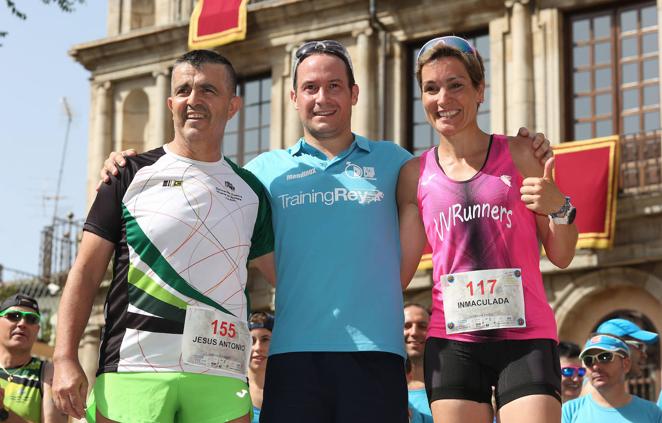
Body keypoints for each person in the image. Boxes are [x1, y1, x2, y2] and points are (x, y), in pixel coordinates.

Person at [98, 40, 553, 422]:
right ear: (293, 98)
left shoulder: (398, 163)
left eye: (335, 86)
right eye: (310, 87)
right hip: (292, 357)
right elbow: (198, 191)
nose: (323, 97)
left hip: (378, 355)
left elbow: (461, 166)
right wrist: (130, 163)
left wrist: (526, 150)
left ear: (354, 93)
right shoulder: (260, 174)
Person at [51, 50, 275, 423]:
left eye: (207, 90)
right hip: (135, 369)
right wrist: (64, 357)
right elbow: (86, 271)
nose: (193, 99)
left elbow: (284, 275)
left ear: (233, 105)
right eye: (184, 90)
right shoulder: (126, 173)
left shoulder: (252, 190)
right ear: (170, 102)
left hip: (220, 375)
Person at [397, 36, 579, 423]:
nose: (443, 97)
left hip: (526, 336)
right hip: (452, 342)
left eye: (456, 84)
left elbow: (562, 255)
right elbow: (398, 274)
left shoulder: (521, 153)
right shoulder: (414, 175)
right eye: (431, 88)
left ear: (480, 91)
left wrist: (559, 207)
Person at [562, 334, 662, 422]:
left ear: (626, 364)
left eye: (605, 357)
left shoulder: (652, 413)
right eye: (589, 360)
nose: (596, 366)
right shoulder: (569, 411)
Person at [0, 294, 67, 423]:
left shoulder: (48, 373)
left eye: (31, 319)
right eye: (13, 316)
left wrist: (3, 413)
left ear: (37, 330)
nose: (22, 323)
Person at [404, 304, 432, 421]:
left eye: (422, 326)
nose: (414, 332)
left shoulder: (450, 388)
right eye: (407, 326)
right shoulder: (383, 390)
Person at [248, 312, 274, 423]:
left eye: (265, 340)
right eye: (251, 340)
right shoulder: (232, 388)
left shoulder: (289, 389)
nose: (257, 348)